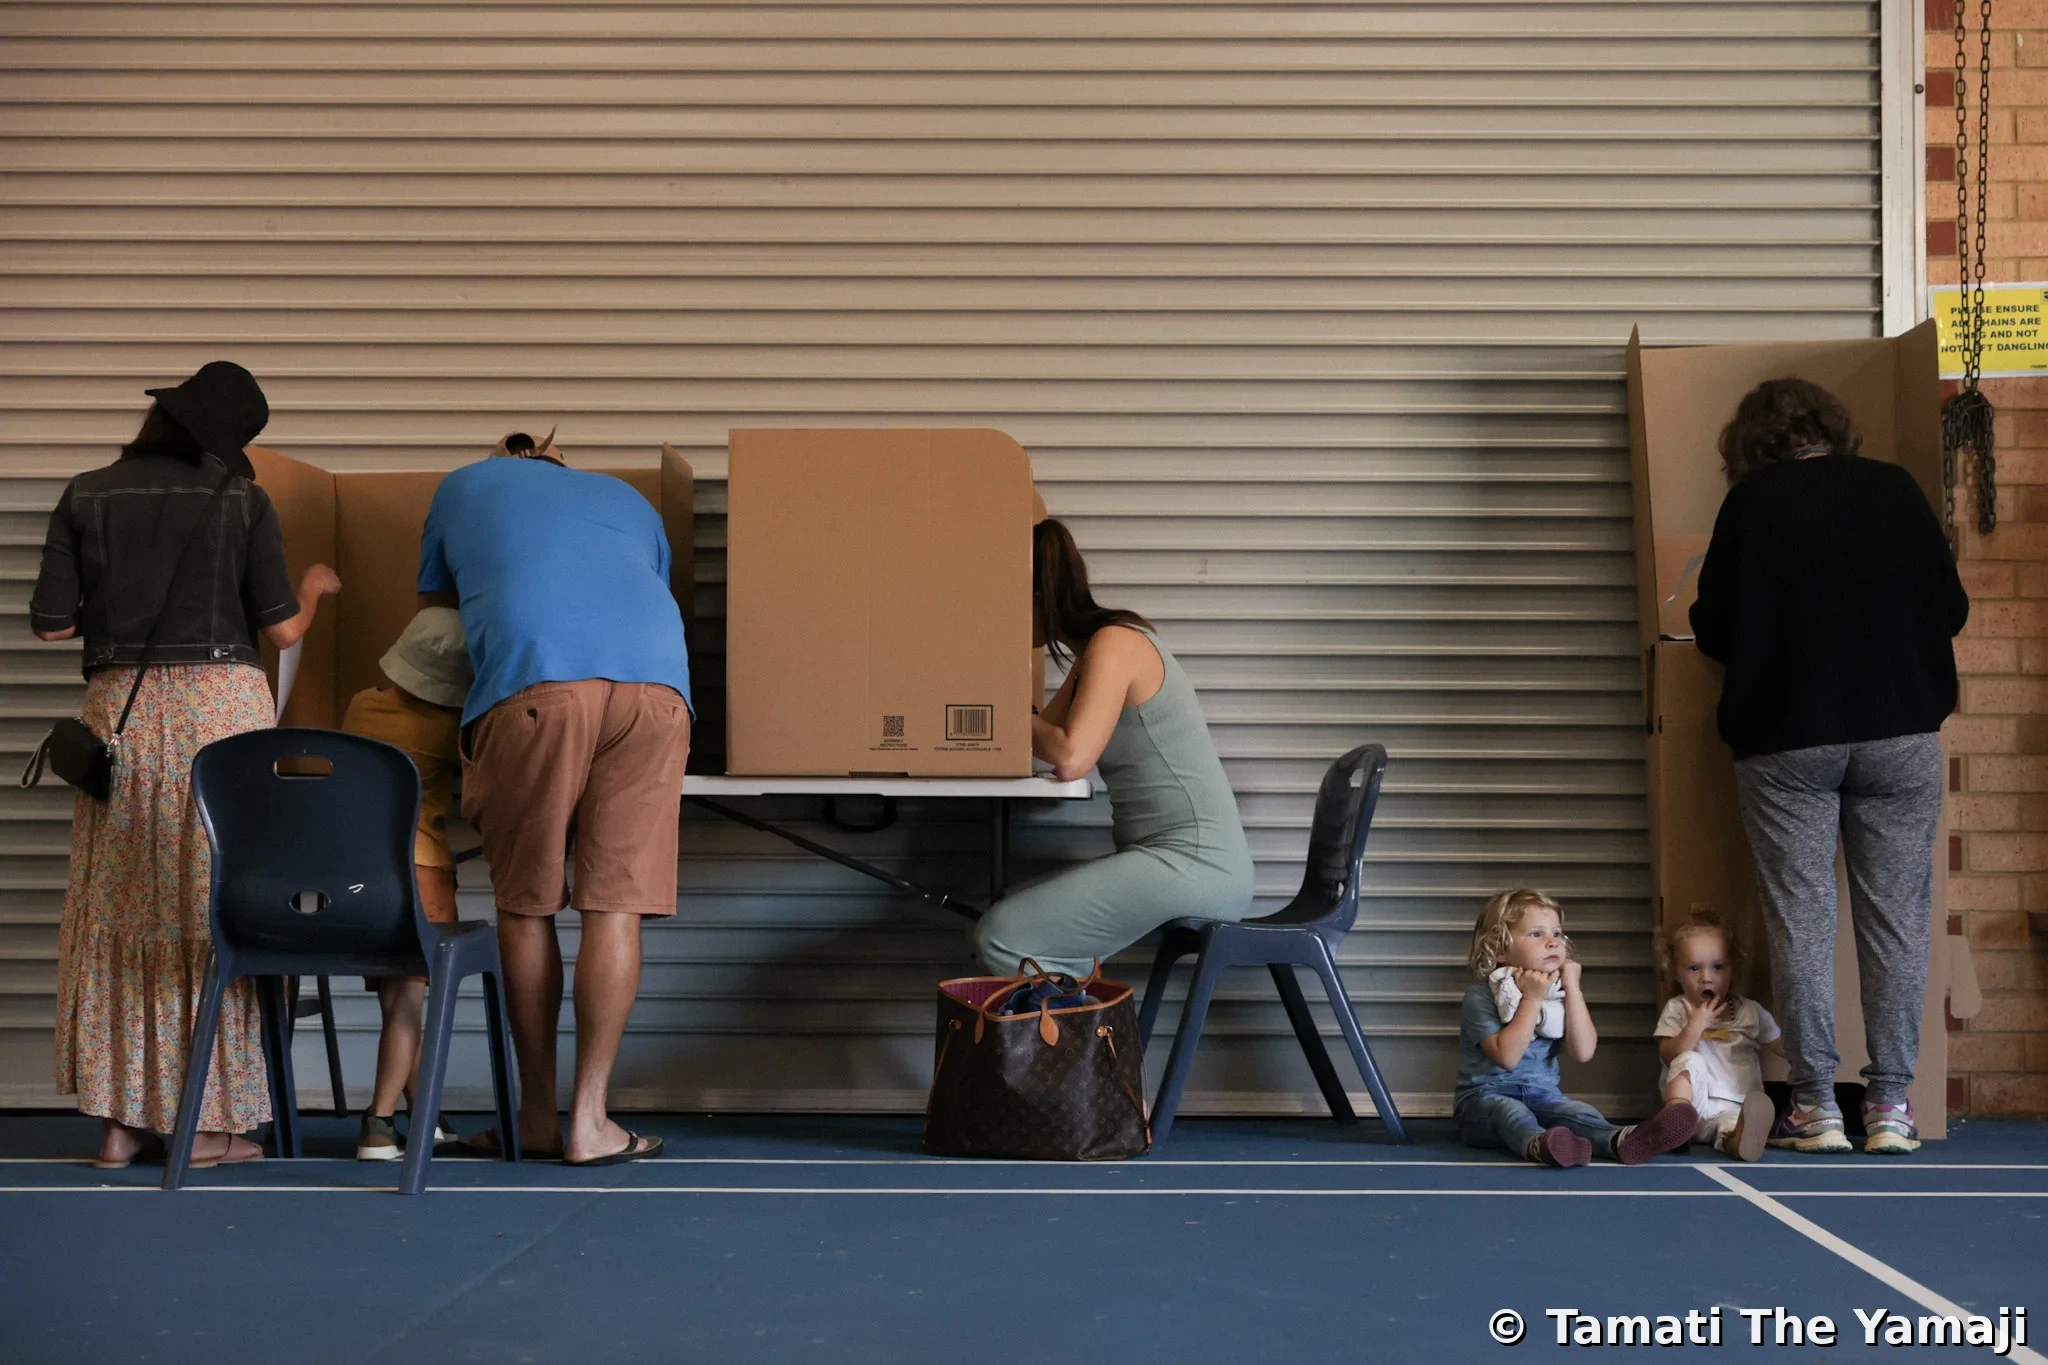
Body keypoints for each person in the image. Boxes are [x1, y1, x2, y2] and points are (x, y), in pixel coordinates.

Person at [29, 361, 340, 1169]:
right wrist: (311, 585)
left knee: (120, 907)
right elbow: (279, 631)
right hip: (218, 716)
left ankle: (118, 1121)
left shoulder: (85, 492)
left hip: (119, 717)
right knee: (208, 909)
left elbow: (53, 626)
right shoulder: (240, 498)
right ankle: (200, 1122)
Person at [1691, 379, 1969, 1156]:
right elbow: (1952, 609)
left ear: (1752, 443)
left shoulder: (1751, 505)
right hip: (1900, 730)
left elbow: (1710, 628)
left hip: (1787, 743)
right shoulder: (1895, 489)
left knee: (1801, 920)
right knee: (1896, 924)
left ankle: (1815, 1107)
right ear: (1832, 429)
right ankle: (1890, 1106)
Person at [417, 429, 690, 1166]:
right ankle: (592, 1121)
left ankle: (537, 1116)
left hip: (537, 684)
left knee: (527, 902)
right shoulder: (632, 499)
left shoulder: (464, 485)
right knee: (615, 904)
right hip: (660, 692)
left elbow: (437, 618)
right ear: (559, 459)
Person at [970, 518, 1254, 978]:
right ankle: (1085, 1030)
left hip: (1196, 864)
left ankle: (1089, 1045)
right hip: (1180, 862)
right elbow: (1044, 735)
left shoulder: (1115, 644)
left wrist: (1007, 715)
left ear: (1038, 597)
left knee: (1001, 935)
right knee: (1014, 919)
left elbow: (1067, 757)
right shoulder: (1096, 653)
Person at [338, 606, 472, 1161]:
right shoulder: (450, 730)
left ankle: (426, 1117)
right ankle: (379, 1121)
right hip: (422, 874)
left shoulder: (360, 706)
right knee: (409, 1006)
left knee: (395, 1001)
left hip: (357, 878)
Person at [1455, 889, 1696, 1167]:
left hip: (1543, 1096)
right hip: (1482, 1102)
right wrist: (1531, 999)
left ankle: (1622, 1140)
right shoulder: (1482, 996)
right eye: (1536, 934)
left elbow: (1583, 1052)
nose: (1552, 943)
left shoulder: (1556, 993)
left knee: (1577, 1112)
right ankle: (1540, 1145)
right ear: (1499, 950)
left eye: (1556, 934)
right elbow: (1507, 1058)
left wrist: (1573, 988)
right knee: (1509, 1111)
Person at [1652, 916, 1781, 1162]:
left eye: (1717, 967)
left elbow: (1782, 1046)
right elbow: (1668, 1054)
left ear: (1733, 969)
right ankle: (1675, 1122)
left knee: (1729, 1129)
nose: (1706, 978)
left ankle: (1738, 1141)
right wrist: (1695, 1026)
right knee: (1689, 1058)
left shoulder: (1751, 1012)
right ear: (1676, 973)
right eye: (1694, 968)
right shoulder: (1678, 1009)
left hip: (1736, 1106)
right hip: (1694, 1105)